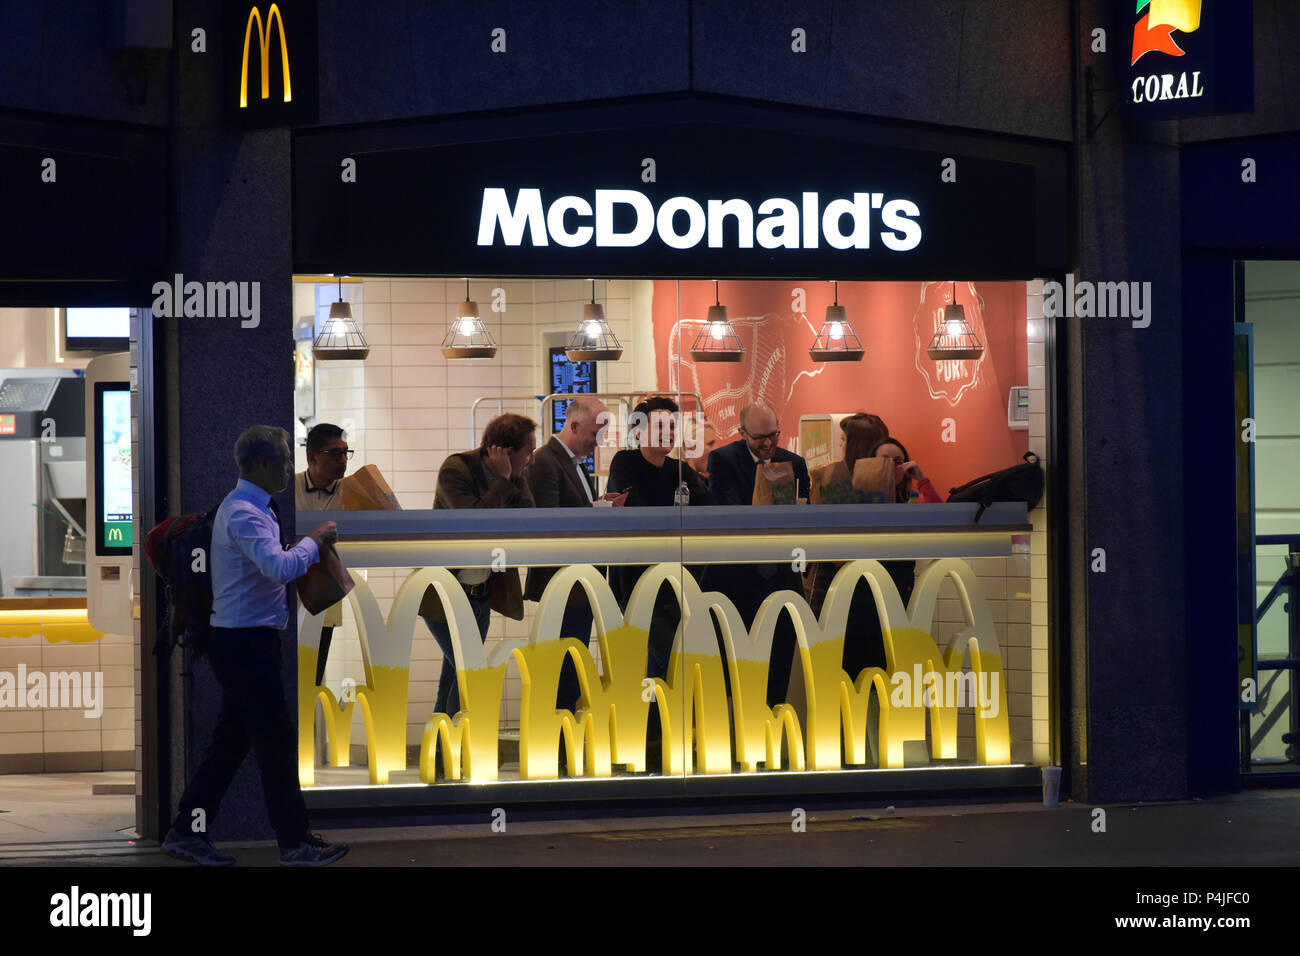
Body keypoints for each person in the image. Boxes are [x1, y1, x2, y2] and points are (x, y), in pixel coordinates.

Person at [162, 425, 348, 867]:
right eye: (285, 460)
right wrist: (314, 541)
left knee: (230, 746)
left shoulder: (255, 507)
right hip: (244, 645)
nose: (290, 467)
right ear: (263, 464)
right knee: (277, 746)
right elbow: (277, 567)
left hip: (246, 642)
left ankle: (188, 829)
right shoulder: (244, 511)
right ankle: (295, 845)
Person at [418, 413, 537, 716]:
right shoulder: (456, 469)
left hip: (481, 594)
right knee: (466, 668)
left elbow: (528, 518)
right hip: (446, 593)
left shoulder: (515, 474)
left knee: (453, 676)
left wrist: (510, 477)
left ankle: (443, 754)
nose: (532, 459)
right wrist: (501, 479)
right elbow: (472, 522)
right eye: (529, 451)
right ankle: (460, 746)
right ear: (507, 453)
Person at [525, 396, 627, 712]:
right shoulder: (545, 461)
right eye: (596, 434)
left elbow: (573, 511)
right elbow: (549, 523)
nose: (599, 443)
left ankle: (563, 737)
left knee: (572, 661)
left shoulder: (569, 462)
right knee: (565, 668)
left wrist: (599, 506)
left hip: (577, 583)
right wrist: (596, 511)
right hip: (564, 583)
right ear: (574, 425)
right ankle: (559, 741)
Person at [707, 403, 810, 708]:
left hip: (782, 576)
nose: (767, 444)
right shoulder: (723, 459)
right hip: (737, 580)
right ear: (742, 433)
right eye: (759, 437)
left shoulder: (795, 463)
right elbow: (728, 512)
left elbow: (804, 516)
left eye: (774, 436)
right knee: (736, 664)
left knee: (779, 658)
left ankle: (772, 727)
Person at [607, 396, 713, 682]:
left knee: (666, 664)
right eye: (660, 426)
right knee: (670, 655)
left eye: (672, 425)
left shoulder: (680, 470)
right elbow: (637, 513)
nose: (668, 432)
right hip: (637, 581)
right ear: (639, 431)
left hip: (676, 580)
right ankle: (662, 722)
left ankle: (659, 724)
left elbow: (709, 508)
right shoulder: (625, 462)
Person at [838, 435, 944, 680]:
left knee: (894, 669)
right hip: (858, 597)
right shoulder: (855, 500)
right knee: (858, 673)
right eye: (884, 460)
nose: (892, 466)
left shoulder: (910, 502)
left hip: (899, 593)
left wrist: (922, 479)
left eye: (898, 461)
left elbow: (942, 520)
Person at [806, 413, 891, 616]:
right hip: (856, 574)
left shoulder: (886, 481)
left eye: (844, 439)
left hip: (847, 576)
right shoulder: (837, 477)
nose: (840, 444)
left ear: (857, 445)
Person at [295, 422, 350, 687]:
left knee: (312, 681)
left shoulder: (354, 490)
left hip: (324, 596)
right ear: (311, 457)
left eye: (346, 453)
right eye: (334, 453)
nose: (342, 460)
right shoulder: (287, 488)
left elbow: (390, 520)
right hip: (285, 600)